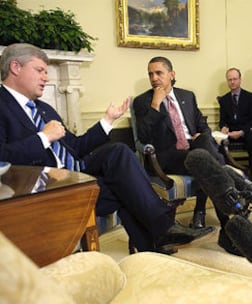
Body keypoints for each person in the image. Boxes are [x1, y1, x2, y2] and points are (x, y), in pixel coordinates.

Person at [0, 43, 213, 255]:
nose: (45, 77)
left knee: (118, 152)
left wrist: (107, 120)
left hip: (76, 172)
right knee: (124, 188)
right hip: (42, 188)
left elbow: (75, 147)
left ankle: (158, 240)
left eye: (47, 72)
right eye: (40, 71)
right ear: (16, 67)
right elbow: (3, 157)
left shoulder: (44, 109)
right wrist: (43, 138)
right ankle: (158, 239)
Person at [132, 57, 241, 255]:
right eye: (150, 74)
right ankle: (230, 230)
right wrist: (155, 105)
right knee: (210, 165)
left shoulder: (187, 96)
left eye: (159, 73)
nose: (154, 78)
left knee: (204, 149)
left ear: (172, 75)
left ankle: (228, 228)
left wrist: (203, 135)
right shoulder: (143, 102)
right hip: (168, 157)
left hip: (195, 150)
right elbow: (143, 138)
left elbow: (203, 127)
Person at [218, 68, 252, 186]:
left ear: (240, 80)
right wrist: (224, 127)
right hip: (231, 132)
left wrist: (241, 132)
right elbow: (222, 120)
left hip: (247, 131)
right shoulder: (224, 100)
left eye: (234, 79)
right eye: (229, 80)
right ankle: (227, 176)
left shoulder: (251, 98)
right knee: (217, 140)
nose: (232, 82)